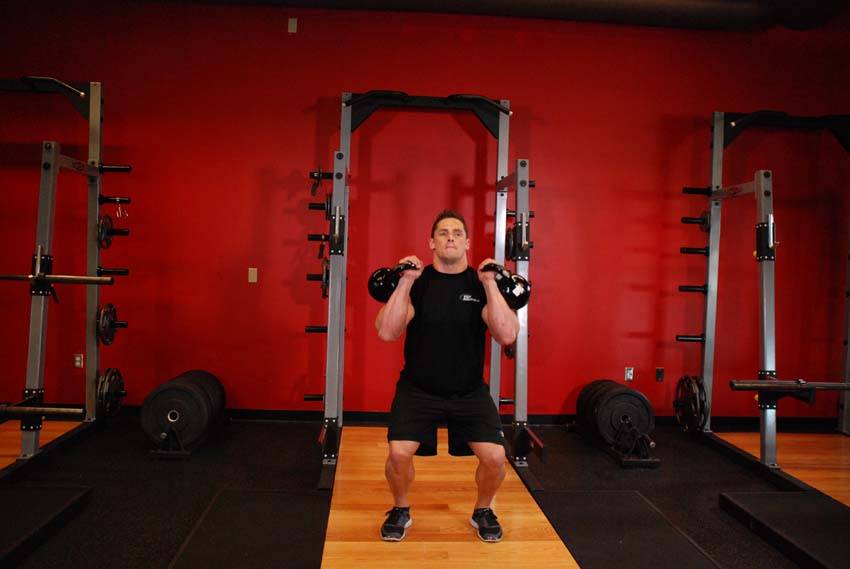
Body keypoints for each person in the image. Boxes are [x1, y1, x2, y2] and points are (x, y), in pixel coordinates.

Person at [374, 209, 520, 543]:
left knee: (496, 458)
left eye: (456, 232)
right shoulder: (418, 283)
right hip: (418, 389)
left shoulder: (480, 284)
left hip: (468, 392)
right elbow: (387, 331)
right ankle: (400, 508)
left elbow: (508, 334)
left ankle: (483, 510)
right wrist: (406, 281)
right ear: (431, 242)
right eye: (443, 233)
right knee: (398, 453)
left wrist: (490, 285)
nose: (450, 237)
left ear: (467, 242)